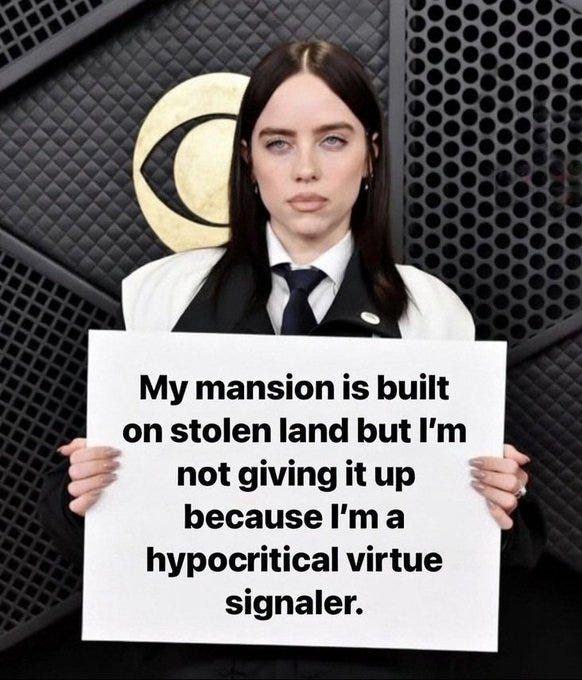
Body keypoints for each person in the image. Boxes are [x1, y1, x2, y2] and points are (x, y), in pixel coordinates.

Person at [40, 40, 544, 678]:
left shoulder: (433, 315)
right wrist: (79, 493)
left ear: (371, 154)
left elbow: (485, 554)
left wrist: (504, 503)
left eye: (333, 140)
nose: (306, 169)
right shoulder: (157, 299)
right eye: (279, 143)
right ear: (247, 159)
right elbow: (92, 534)